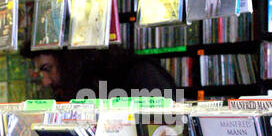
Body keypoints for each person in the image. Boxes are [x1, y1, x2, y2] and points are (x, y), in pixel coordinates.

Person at [29, 46, 178, 103]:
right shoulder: (86, 87)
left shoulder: (140, 73)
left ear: (68, 62)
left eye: (48, 69)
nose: (46, 82)